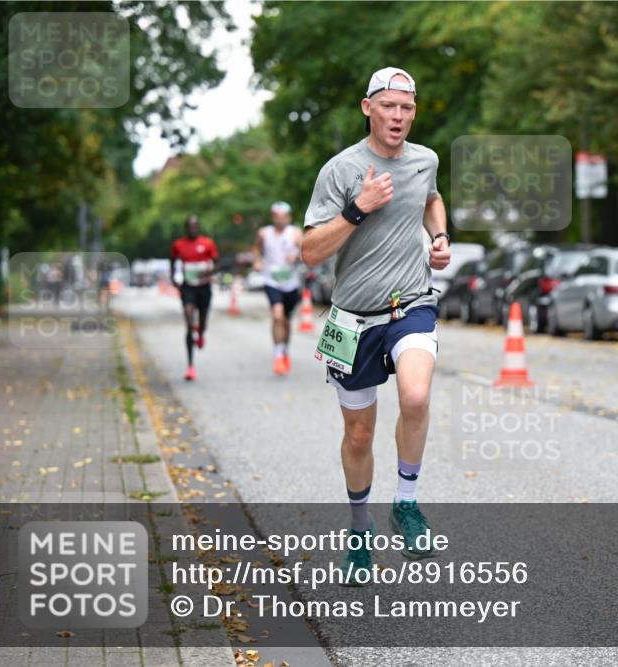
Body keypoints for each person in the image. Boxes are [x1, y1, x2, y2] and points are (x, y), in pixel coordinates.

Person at [301, 67, 451, 584]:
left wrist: (440, 236)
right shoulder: (340, 170)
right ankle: (360, 533)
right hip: (351, 320)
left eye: (407, 108)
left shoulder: (424, 160)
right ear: (368, 108)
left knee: (415, 396)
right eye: (389, 106)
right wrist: (358, 209)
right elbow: (310, 251)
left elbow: (430, 197)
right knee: (359, 435)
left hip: (409, 304)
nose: (398, 117)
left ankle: (406, 504)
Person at [253, 202, 303, 375]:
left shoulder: (295, 233)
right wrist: (257, 261)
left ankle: (284, 349)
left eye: (283, 217)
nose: (280, 221)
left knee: (286, 321)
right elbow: (256, 250)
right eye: (277, 217)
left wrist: (296, 255)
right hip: (271, 281)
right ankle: (278, 355)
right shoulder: (264, 233)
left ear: (288, 218)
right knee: (277, 314)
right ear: (272, 217)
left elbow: (306, 252)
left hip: (291, 283)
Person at [170, 216, 218, 381]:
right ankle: (190, 366)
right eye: (189, 226)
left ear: (198, 227)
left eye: (195, 226)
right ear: (186, 228)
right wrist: (173, 279)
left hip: (204, 288)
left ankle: (201, 332)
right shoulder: (178, 245)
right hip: (188, 287)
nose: (192, 229)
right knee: (189, 323)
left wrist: (207, 275)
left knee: (202, 322)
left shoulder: (207, 243)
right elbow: (173, 261)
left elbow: (215, 264)